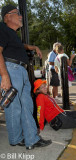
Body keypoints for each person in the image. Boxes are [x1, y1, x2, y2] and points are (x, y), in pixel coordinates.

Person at [0, 4, 52, 150]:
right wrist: (4, 75)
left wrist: (34, 47)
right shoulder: (2, 29)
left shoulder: (11, 34)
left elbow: (21, 46)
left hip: (20, 70)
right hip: (11, 69)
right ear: (7, 17)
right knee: (14, 107)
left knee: (27, 106)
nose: (20, 15)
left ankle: (30, 139)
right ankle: (16, 138)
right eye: (17, 13)